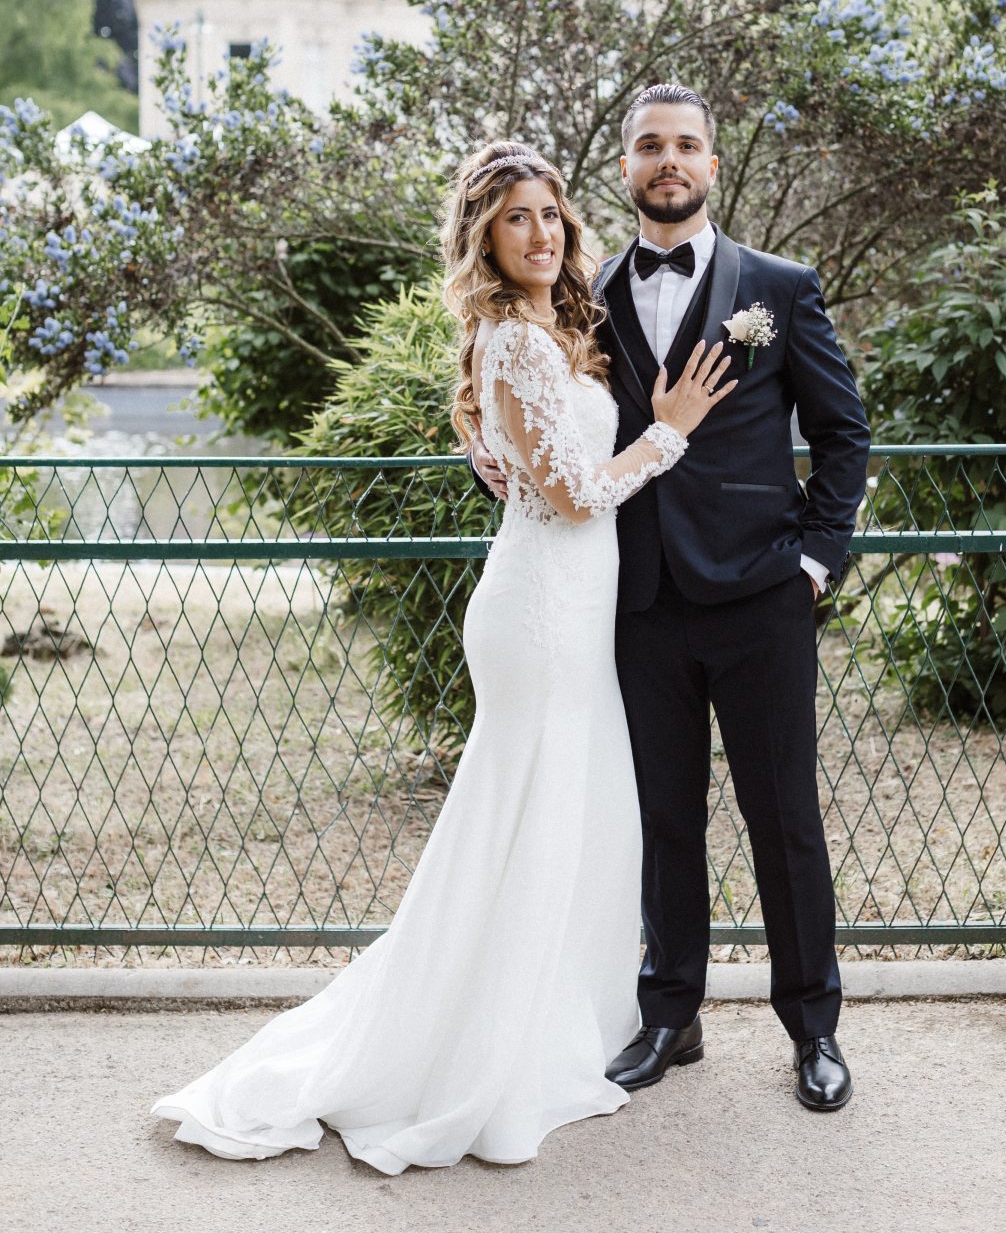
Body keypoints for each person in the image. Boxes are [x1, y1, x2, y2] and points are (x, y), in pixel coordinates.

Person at [151, 140, 733, 1174]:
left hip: (569, 606)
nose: (543, 233)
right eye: (517, 217)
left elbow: (534, 470)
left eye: (551, 214)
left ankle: (542, 1020)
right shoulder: (511, 340)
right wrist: (670, 432)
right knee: (528, 816)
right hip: (541, 614)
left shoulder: (546, 331)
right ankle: (472, 1053)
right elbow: (569, 495)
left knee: (563, 816)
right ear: (484, 236)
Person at [473, 84, 870, 1111]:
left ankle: (813, 1029)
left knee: (783, 816)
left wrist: (817, 559)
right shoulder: (584, 293)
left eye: (687, 145)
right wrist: (497, 461)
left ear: (712, 164)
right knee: (658, 820)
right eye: (650, 145)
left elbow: (843, 433)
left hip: (761, 599)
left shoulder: (780, 286)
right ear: (624, 167)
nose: (670, 161)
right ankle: (669, 1016)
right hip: (636, 601)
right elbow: (546, 417)